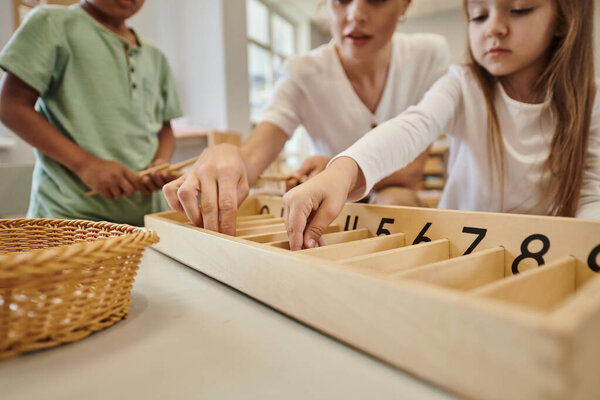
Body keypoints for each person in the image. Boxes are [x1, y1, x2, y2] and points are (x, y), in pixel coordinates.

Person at [283, 0, 600, 250]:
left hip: (543, 252)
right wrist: (343, 171)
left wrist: (588, 242)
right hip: (458, 246)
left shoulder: (591, 98)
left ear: (562, 19)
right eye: (478, 16)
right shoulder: (462, 84)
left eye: (519, 10)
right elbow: (413, 126)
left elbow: (591, 192)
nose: (494, 28)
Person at [163, 0, 450, 235]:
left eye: (376, 0)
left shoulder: (428, 55)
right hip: (324, 204)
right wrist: (228, 156)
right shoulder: (301, 72)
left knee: (395, 202)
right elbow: (253, 155)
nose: (356, 14)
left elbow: (412, 171)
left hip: (390, 195)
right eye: (341, 1)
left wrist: (334, 167)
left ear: (405, 4)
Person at [0, 0, 183, 226]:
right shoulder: (51, 23)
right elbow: (10, 105)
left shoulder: (156, 57)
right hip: (66, 218)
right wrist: (86, 164)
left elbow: (165, 128)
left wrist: (160, 162)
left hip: (144, 220)